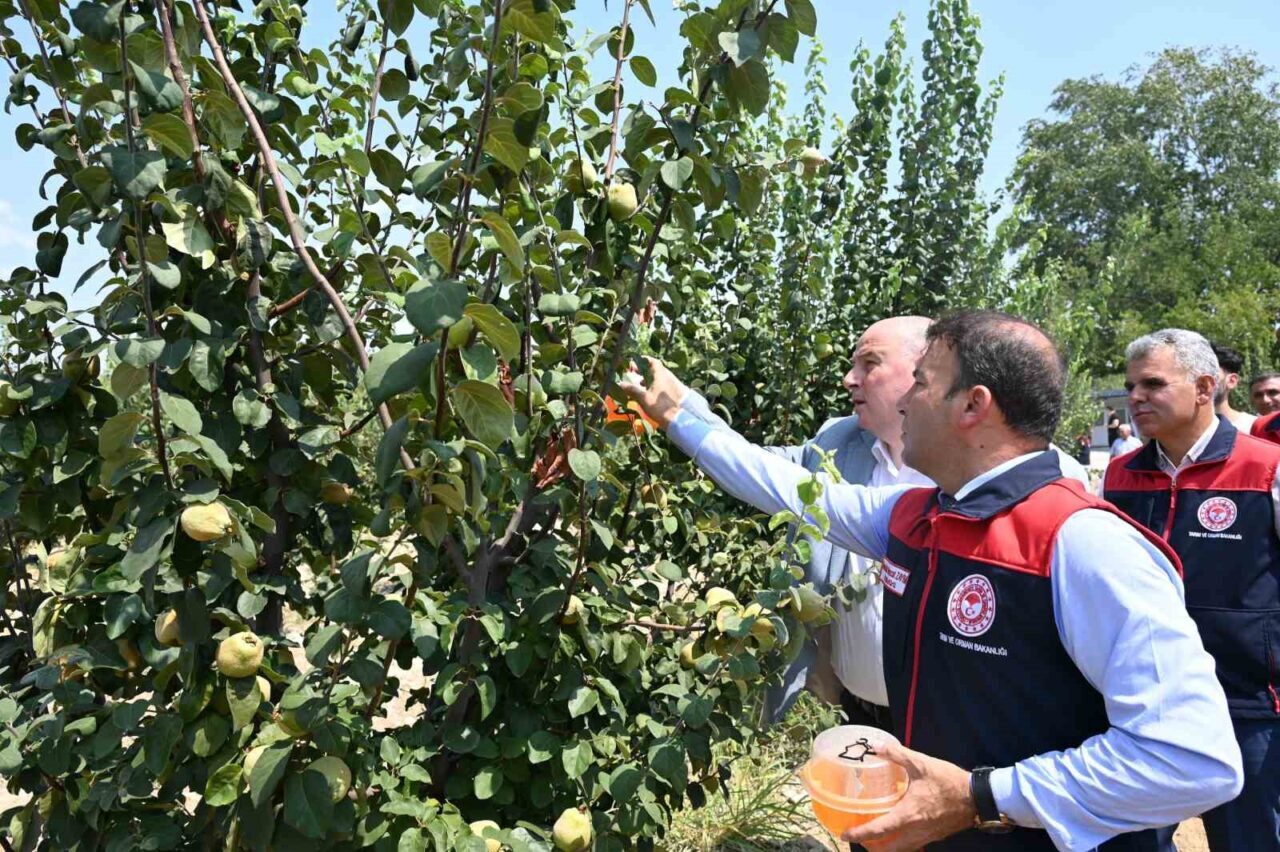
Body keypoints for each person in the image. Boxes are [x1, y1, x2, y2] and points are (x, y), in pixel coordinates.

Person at [622, 310, 1241, 852]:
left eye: (920, 383)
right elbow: (785, 488)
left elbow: (1193, 759)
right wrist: (677, 414)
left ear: (973, 406)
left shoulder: (1083, 544)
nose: (903, 402)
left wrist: (982, 797)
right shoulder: (915, 516)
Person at [1104, 328, 1280, 851]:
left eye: (1153, 384)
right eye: (1131, 386)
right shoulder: (1119, 474)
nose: (1136, 397)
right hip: (1146, 699)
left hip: (1245, 701)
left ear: (1204, 388)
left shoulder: (1266, 467)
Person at [1211, 342, 1256, 431]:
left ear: (1231, 381)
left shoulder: (1254, 427)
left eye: (1211, 373)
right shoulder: (1183, 430)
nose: (1201, 380)